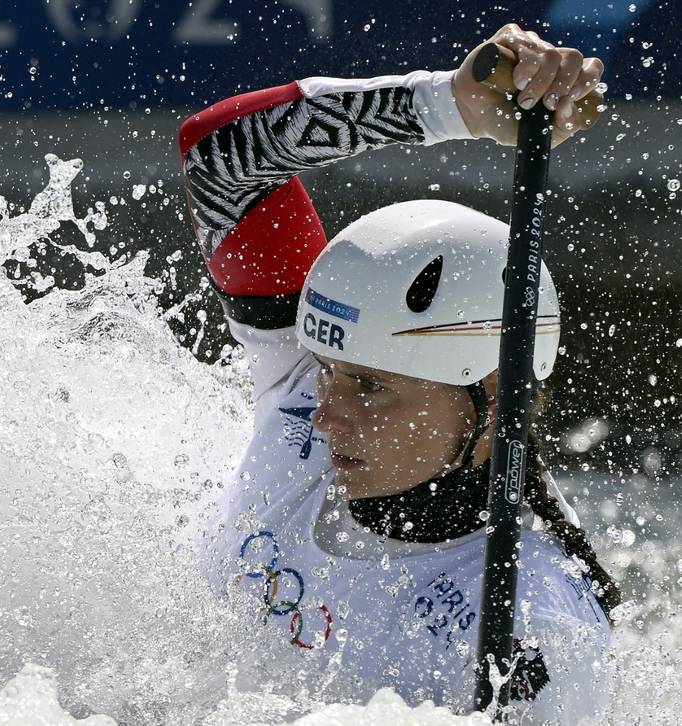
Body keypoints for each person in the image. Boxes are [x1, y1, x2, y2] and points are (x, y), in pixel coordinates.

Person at [179, 24, 618, 723]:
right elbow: (223, 157)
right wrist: (448, 105)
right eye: (330, 373)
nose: (324, 414)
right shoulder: (303, 382)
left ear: (495, 395)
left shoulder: (533, 634)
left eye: (372, 388)